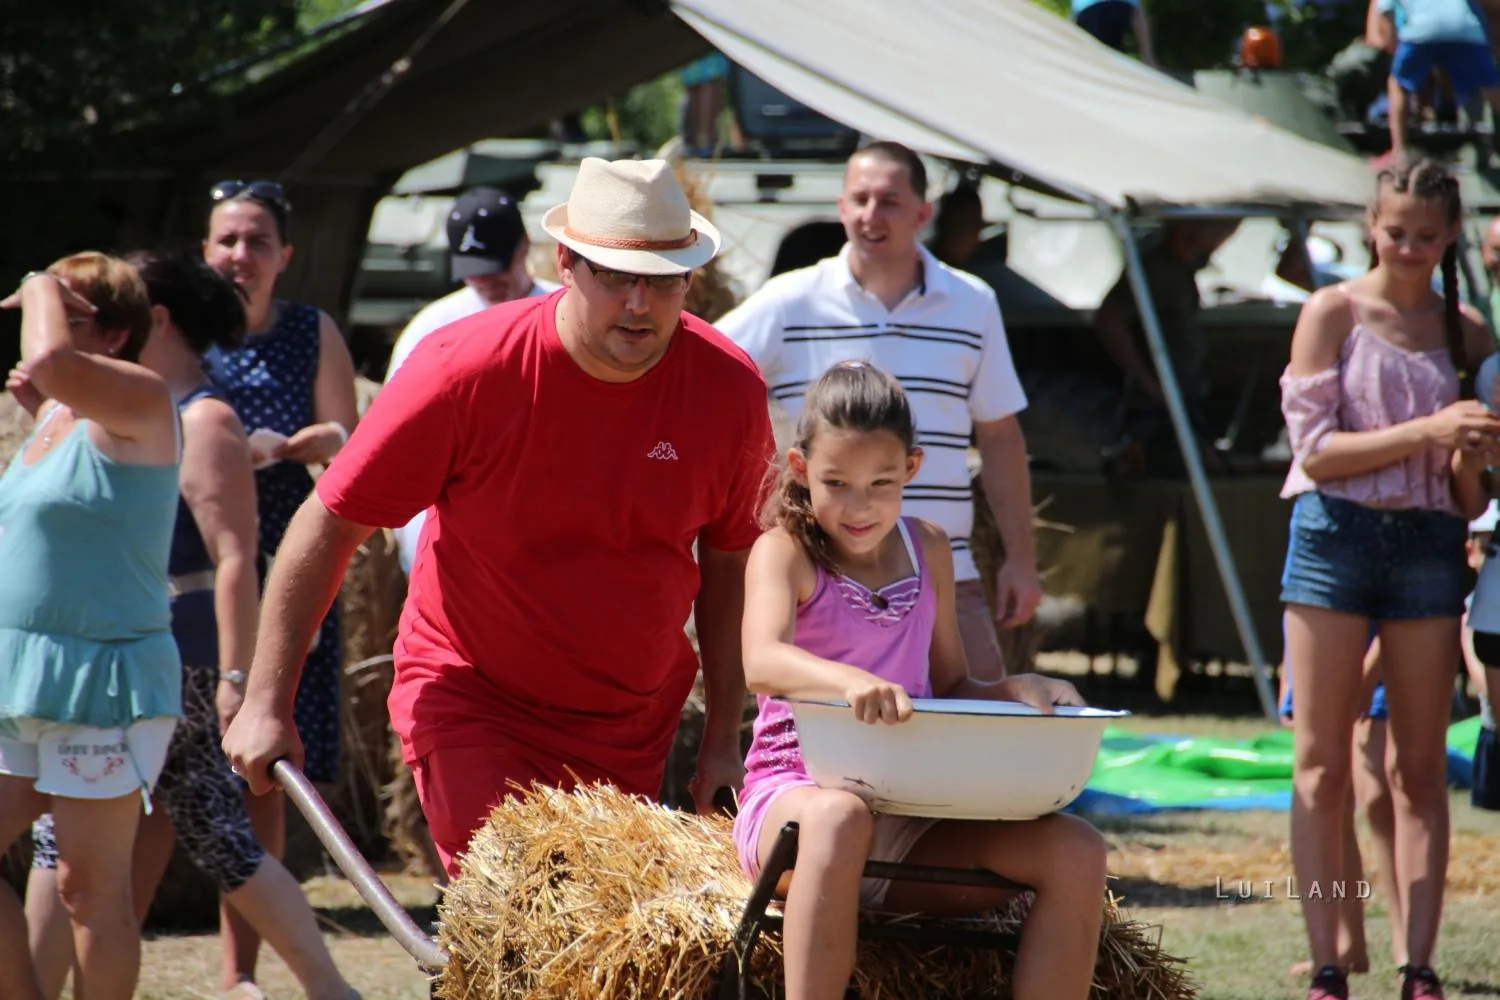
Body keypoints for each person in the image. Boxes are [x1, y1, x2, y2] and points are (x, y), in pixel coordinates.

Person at [222, 157, 777, 879]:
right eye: (615, 276)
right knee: (512, 900)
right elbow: (330, 521)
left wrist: (725, 740)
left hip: (628, 721)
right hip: (473, 698)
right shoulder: (464, 370)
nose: (639, 304)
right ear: (565, 264)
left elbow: (732, 562)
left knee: (587, 930)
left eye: (663, 279)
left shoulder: (728, 390)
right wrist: (267, 700)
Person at [22, 253, 358, 1000]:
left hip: (181, 663)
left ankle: (330, 987)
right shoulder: (129, 406)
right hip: (127, 659)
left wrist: (237, 680)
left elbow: (235, 558)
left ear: (158, 319)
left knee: (206, 835)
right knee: (121, 840)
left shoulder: (203, 417)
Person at [733, 360, 1106, 1000]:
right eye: (836, 483)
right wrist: (847, 682)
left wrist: (1017, 688)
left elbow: (952, 683)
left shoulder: (929, 547)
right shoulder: (784, 550)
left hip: (912, 810)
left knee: (1077, 848)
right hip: (798, 800)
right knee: (841, 815)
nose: (859, 506)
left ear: (912, 468)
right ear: (800, 468)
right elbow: (761, 661)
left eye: (881, 483)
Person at [1278, 158, 1499, 1000]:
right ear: (1372, 226)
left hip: (1429, 549)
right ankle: (1329, 962)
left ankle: (1420, 966)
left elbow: (1470, 495)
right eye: (1395, 232)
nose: (1408, 248)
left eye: (1426, 236)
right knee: (1320, 764)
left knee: (1418, 768)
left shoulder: (1467, 332)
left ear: (1451, 237)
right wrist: (1429, 430)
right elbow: (1316, 454)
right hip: (1332, 539)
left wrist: (1469, 458)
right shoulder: (1330, 312)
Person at [717, 141, 1040, 683]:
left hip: (946, 571)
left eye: (889, 201)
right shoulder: (789, 300)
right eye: (860, 199)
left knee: (977, 718)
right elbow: (706, 374)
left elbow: (1001, 436)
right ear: (841, 207)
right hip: (822, 576)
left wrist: (1021, 558)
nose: (871, 214)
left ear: (922, 213)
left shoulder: (973, 303)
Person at [0, 255, 182, 1000]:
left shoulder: (145, 398)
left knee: (87, 887)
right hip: (21, 674)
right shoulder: (51, 414)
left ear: (114, 335)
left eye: (63, 314)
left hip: (106, 678)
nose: (40, 330)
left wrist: (36, 281)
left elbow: (48, 358)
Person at [201, 179, 360, 996]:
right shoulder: (180, 329)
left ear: (285, 255)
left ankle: (242, 975)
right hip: (193, 564)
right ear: (204, 251)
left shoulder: (311, 330)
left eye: (258, 240)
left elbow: (349, 439)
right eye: (228, 240)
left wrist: (309, 442)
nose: (242, 255)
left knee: (260, 772)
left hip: (284, 563)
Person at [384, 186, 560, 574]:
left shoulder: (568, 315)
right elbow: (398, 443)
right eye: (471, 267)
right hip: (452, 543)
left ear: (524, 247)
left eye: (494, 265)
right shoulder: (431, 328)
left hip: (549, 530)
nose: (483, 279)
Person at [1278, 632, 1401, 979]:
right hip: (1324, 643)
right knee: (1331, 800)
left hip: (1387, 643)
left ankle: (1408, 948)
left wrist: (1369, 671)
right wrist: (1288, 675)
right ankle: (1348, 944)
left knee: (1378, 798)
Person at [1092, 218, 1241, 475]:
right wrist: (1148, 381)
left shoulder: (1179, 271)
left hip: (1180, 398)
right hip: (1158, 405)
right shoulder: (1156, 271)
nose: (1222, 241)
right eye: (1222, 230)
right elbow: (1110, 319)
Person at [1376, 0, 1500, 167]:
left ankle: (1399, 151)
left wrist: (1395, 47)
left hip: (1421, 29)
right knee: (1492, 87)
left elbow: (1386, 12)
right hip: (1464, 28)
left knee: (1398, 84)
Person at [1071, 0, 1157, 66]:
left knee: (1095, 58)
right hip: (1112, 8)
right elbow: (1139, 17)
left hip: (1089, 9)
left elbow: (1139, 17)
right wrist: (1147, 56)